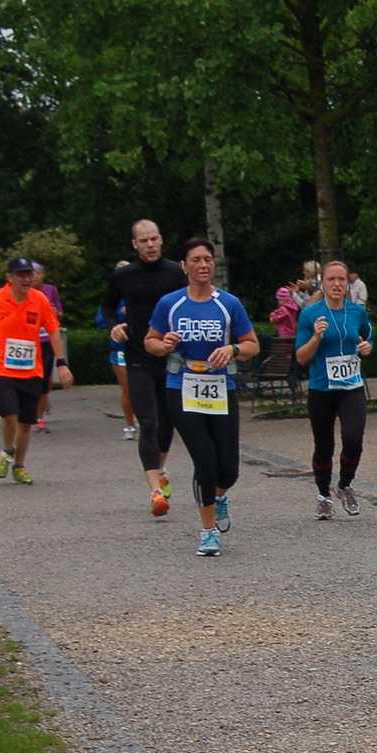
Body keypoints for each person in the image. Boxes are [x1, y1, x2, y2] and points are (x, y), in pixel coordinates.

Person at [147, 239, 258, 558]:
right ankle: (208, 532)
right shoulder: (170, 304)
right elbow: (150, 341)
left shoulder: (228, 304)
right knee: (205, 462)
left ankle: (219, 497)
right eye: (195, 259)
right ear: (184, 266)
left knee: (229, 469)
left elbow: (252, 344)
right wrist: (164, 344)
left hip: (221, 388)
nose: (203, 265)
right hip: (182, 387)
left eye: (207, 259)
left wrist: (232, 349)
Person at [103, 220, 188, 515]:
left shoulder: (177, 273)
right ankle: (155, 492)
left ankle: (160, 468)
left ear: (161, 240)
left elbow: (190, 303)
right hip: (138, 357)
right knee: (148, 423)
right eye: (144, 241)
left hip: (172, 359)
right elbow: (107, 306)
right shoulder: (124, 275)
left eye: (154, 239)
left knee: (168, 424)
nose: (150, 245)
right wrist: (115, 326)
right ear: (134, 245)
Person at [0, 257, 73, 482]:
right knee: (9, 414)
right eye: (21, 275)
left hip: (30, 369)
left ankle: (19, 465)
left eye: (30, 274)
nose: (27, 279)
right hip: (2, 368)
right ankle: (8, 450)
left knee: (27, 421)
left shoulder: (40, 300)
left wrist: (62, 363)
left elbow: (54, 331)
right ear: (10, 278)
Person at [296, 261, 375, 519]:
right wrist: (316, 337)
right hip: (321, 388)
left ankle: (344, 485)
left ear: (347, 284)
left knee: (353, 439)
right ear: (323, 283)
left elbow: (367, 338)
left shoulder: (356, 312)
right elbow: (301, 358)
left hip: (351, 387)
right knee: (324, 445)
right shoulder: (310, 314)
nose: (337, 284)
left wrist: (366, 348)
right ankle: (323, 495)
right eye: (332, 279)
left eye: (342, 279)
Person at [104, 261, 136, 439]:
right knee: (128, 389)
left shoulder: (140, 292)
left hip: (141, 346)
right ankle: (129, 425)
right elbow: (102, 319)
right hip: (120, 349)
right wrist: (120, 316)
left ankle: (150, 420)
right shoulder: (114, 298)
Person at [31, 263, 63, 432]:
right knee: (30, 379)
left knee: (44, 380)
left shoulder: (51, 290)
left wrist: (55, 313)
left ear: (43, 275)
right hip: (29, 342)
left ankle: (39, 418)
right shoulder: (25, 292)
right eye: (31, 273)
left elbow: (60, 313)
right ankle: (31, 409)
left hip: (46, 340)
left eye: (37, 273)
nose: (34, 276)